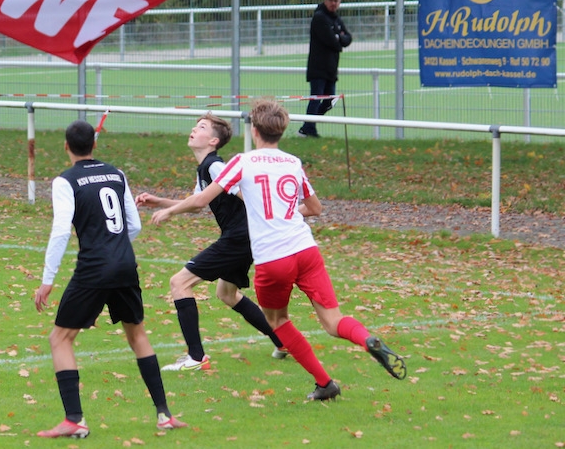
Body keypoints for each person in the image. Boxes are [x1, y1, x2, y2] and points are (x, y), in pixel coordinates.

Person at [152, 99, 406, 401]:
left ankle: (325, 382)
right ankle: (366, 339)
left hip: (274, 258)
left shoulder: (241, 162)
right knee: (334, 322)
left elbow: (200, 200)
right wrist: (283, 214)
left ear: (255, 131)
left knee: (279, 322)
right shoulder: (292, 163)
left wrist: (168, 211)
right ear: (282, 130)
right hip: (307, 250)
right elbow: (315, 208)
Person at [34, 120, 186, 438]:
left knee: (60, 339)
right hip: (125, 264)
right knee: (137, 335)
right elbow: (134, 225)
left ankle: (74, 419)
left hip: (94, 267)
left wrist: (48, 279)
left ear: (66, 146)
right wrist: (115, 247)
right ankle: (164, 414)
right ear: (94, 144)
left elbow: (61, 231)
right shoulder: (117, 174)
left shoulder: (65, 181)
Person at [136, 113, 287, 371]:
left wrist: (170, 212)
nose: (194, 129)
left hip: (239, 237)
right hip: (243, 237)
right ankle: (282, 342)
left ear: (213, 141)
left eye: (202, 127)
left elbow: (243, 195)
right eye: (195, 126)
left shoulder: (216, 166)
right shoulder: (206, 168)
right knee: (226, 293)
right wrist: (161, 202)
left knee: (179, 283)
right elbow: (197, 203)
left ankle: (196, 358)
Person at [300, 0, 352, 138]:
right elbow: (331, 41)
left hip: (331, 68)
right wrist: (339, 39)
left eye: (336, 1)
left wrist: (339, 38)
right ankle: (309, 128)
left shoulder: (336, 19)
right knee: (316, 99)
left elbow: (348, 38)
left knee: (330, 101)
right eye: (331, 0)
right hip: (318, 68)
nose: (333, 3)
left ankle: (307, 126)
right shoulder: (319, 17)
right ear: (325, 1)